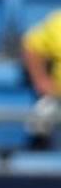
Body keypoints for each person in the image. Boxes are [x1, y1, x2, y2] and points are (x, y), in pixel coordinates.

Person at [22, 8, 61, 149]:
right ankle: (37, 155)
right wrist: (41, 80)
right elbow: (32, 45)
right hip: (57, 98)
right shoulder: (58, 22)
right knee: (42, 114)